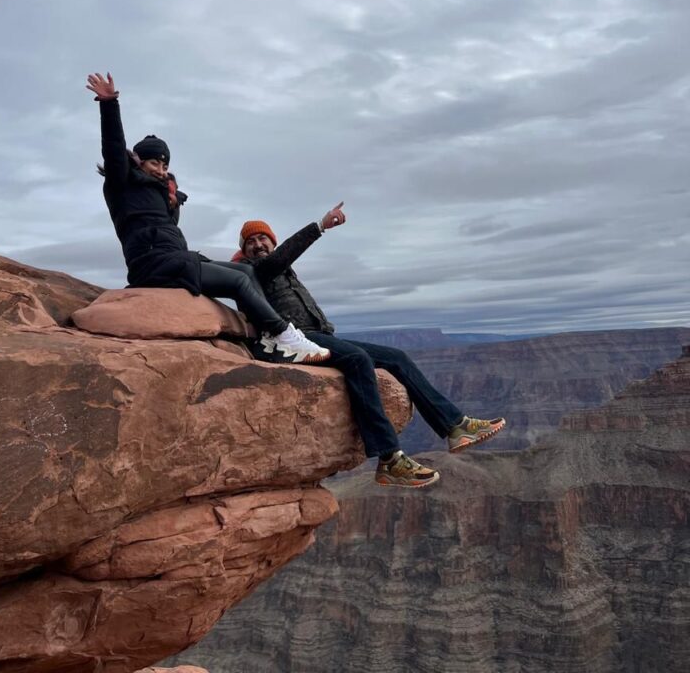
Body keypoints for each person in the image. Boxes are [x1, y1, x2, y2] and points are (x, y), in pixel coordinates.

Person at [234, 210, 506, 489]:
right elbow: (278, 260)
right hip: (293, 341)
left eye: (263, 238)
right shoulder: (250, 271)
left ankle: (456, 426)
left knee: (397, 358)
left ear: (273, 241)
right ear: (244, 250)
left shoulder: (277, 268)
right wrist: (319, 226)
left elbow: (282, 267)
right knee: (357, 359)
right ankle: (390, 459)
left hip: (316, 336)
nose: (258, 244)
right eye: (250, 241)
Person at [85, 71, 330, 364]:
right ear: (138, 161)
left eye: (165, 166)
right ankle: (284, 334)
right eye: (154, 163)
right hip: (151, 265)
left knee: (247, 273)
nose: (161, 171)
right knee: (237, 282)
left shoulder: (160, 193)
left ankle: (266, 338)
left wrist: (172, 202)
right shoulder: (121, 183)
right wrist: (109, 104)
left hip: (175, 259)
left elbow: (167, 229)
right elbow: (113, 148)